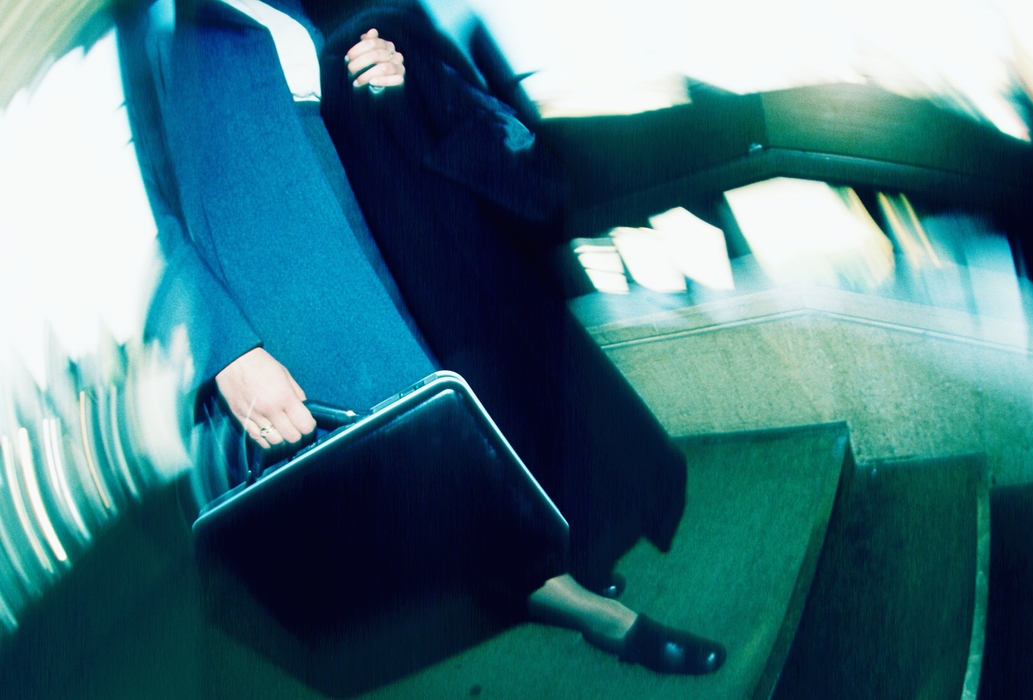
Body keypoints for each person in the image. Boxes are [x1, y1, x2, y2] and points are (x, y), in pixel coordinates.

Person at [118, 0, 725, 675]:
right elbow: (149, 210)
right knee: (419, 467)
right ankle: (598, 617)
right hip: (284, 286)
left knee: (467, 421)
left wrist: (394, 76)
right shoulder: (150, 20)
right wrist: (221, 344)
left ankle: (550, 563)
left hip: (377, 216)